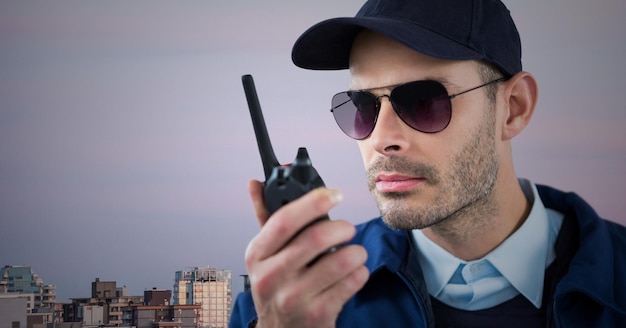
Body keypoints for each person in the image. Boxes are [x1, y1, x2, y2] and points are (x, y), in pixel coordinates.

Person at [230, 0, 626, 327]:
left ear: (513, 109)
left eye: (424, 102)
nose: (382, 139)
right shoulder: (281, 307)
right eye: (362, 106)